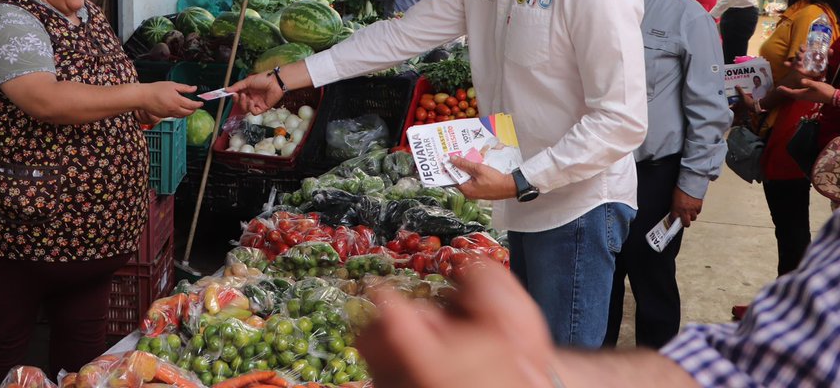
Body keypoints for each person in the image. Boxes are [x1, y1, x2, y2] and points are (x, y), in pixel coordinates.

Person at [229, 0, 648, 347]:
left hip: (577, 206)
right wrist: (288, 77)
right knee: (527, 360)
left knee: (562, 367)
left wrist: (522, 180)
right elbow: (399, 37)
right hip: (522, 197)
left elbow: (622, 119)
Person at [0, 0, 203, 388]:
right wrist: (140, 94)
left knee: (84, 354)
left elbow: (102, 91)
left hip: (90, 235)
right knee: (2, 347)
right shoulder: (8, 20)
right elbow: (44, 98)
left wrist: (137, 110)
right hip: (20, 226)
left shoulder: (88, 16)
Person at [356, 207, 840, 388]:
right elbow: (765, 364)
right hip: (539, 199)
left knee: (648, 283)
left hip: (595, 195)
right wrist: (535, 374)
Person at [592, 0, 730, 349]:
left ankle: (657, 370)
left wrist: (692, 183)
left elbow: (709, 107)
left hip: (654, 174)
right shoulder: (588, 7)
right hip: (595, 168)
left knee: (651, 280)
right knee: (599, 277)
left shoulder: (687, 17)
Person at [736, 0, 840, 278]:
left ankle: (791, 303)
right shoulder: (802, 13)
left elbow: (805, 73)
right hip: (785, 121)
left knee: (791, 222)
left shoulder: (813, 16)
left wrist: (762, 104)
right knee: (789, 222)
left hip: (792, 125)